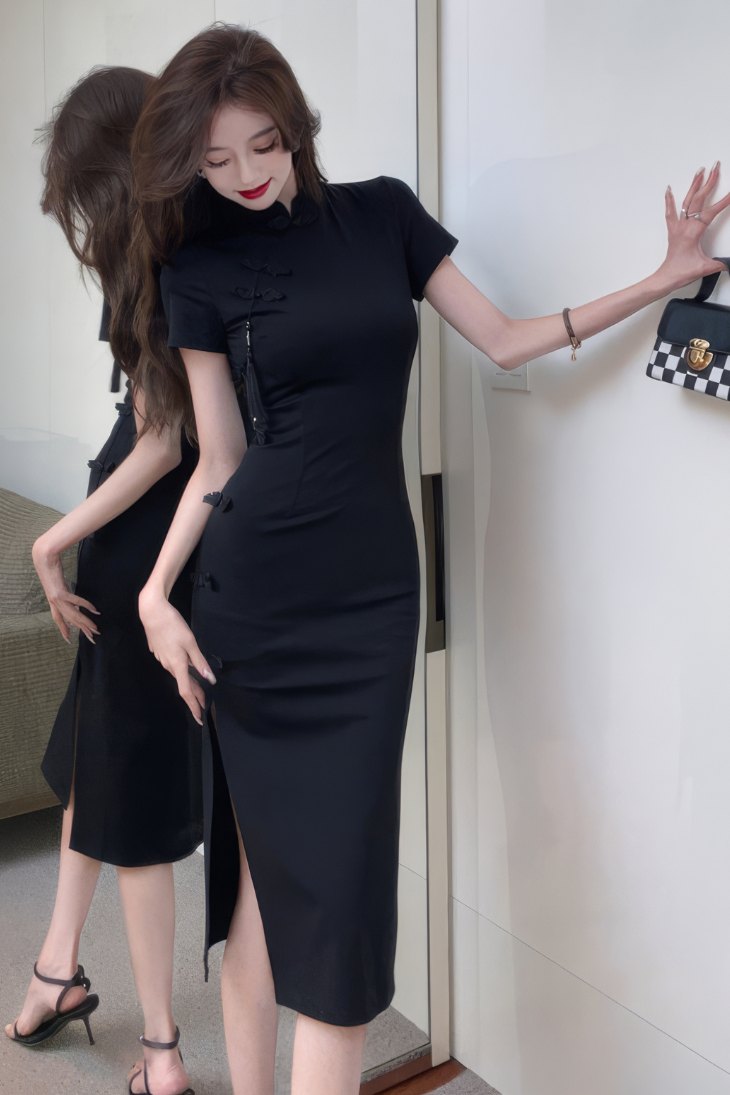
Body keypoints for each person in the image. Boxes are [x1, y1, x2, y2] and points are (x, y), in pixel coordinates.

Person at [130, 23, 730, 1095]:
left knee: (342, 909)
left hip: (369, 601)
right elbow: (220, 456)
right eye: (215, 162)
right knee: (265, 882)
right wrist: (152, 592)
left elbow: (502, 338)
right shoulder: (198, 267)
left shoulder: (383, 215)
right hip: (252, 602)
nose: (246, 176)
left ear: (296, 125)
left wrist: (659, 279)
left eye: (263, 145)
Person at [4, 67, 202, 1095]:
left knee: (131, 801)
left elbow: (163, 442)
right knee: (92, 759)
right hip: (135, 549)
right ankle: (57, 968)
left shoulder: (161, 259)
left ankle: (162, 1048)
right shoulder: (162, 250)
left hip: (144, 557)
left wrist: (51, 543)